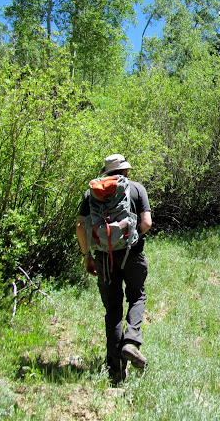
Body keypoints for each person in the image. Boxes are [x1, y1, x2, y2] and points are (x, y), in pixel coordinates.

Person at [76, 154, 152, 384]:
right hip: (132, 255)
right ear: (125, 171)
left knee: (113, 310)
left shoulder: (92, 193)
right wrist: (133, 238)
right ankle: (131, 342)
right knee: (137, 296)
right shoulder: (137, 189)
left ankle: (115, 372)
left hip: (103, 258)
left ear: (106, 172)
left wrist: (87, 255)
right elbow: (147, 223)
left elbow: (81, 226)